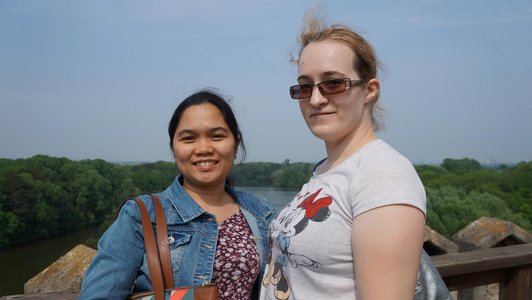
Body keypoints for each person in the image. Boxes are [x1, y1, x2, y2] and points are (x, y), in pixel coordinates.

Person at [260, 14, 449, 300]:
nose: (315, 99)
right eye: (304, 86)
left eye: (333, 83)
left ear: (370, 90)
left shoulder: (383, 175)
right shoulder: (327, 171)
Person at [79, 90, 276, 300]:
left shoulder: (261, 214)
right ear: (174, 149)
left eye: (216, 136)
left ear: (235, 144)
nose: (203, 148)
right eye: (189, 138)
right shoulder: (142, 215)